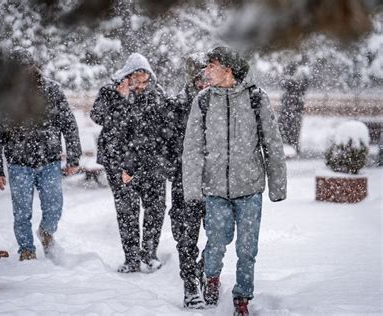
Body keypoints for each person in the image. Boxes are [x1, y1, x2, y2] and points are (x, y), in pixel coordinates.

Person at [182, 46, 287, 314]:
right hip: (215, 189)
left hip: (250, 187)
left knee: (247, 249)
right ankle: (212, 278)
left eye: (211, 65)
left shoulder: (255, 98)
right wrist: (192, 189)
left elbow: (272, 143)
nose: (206, 71)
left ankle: (242, 298)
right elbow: (192, 148)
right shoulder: (203, 101)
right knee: (216, 243)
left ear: (228, 69)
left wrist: (277, 186)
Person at [0, 49, 81, 261]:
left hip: (49, 161)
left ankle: (46, 232)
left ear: (34, 67)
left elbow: (69, 124)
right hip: (18, 163)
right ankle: (26, 250)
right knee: (21, 212)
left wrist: (74, 157)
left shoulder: (52, 90)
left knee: (54, 207)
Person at [90, 53, 168, 273]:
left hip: (151, 160)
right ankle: (131, 258)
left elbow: (160, 127)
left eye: (145, 80)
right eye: (136, 79)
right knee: (127, 210)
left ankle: (149, 253)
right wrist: (122, 99)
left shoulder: (157, 94)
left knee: (156, 207)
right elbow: (99, 117)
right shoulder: (110, 92)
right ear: (127, 76)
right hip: (118, 160)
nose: (141, 85)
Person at [165, 52, 209, 309]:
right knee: (185, 234)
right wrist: (176, 170)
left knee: (218, 235)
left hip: (215, 182)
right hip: (184, 180)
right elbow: (164, 144)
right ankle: (190, 283)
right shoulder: (176, 105)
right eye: (199, 76)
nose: (204, 81)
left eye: (208, 75)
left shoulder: (221, 103)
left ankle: (206, 273)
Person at [277, 61, 310, 154]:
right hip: (289, 108)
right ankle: (290, 146)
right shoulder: (291, 81)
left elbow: (304, 84)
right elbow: (284, 84)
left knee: (292, 129)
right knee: (288, 128)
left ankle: (292, 146)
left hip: (294, 108)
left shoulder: (300, 77)